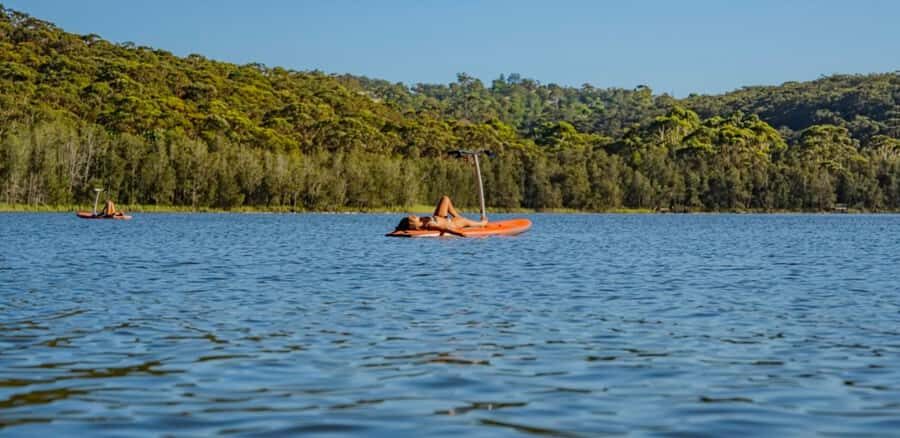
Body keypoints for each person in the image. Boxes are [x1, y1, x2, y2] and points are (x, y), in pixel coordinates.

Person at [395, 195, 487, 235]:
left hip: (439, 217)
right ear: (412, 224)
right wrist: (460, 234)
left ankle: (457, 216)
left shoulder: (421, 221)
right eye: (412, 218)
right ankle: (482, 223)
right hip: (450, 223)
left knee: (445, 198)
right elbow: (445, 228)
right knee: (465, 221)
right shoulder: (429, 225)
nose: (413, 216)